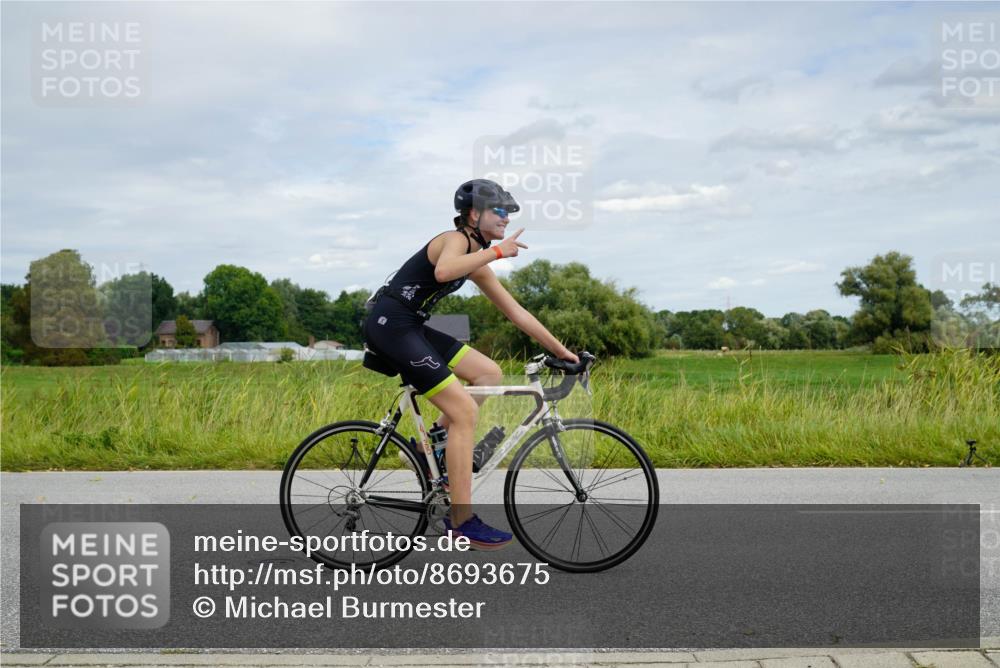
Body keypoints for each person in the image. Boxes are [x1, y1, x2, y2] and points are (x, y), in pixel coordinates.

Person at [362, 178, 579, 550]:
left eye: (509, 213)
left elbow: (516, 313)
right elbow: (445, 270)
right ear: (473, 214)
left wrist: (563, 352)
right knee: (463, 412)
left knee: (487, 373)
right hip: (390, 327)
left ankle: (426, 447)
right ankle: (461, 520)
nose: (506, 219)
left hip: (411, 326)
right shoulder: (454, 240)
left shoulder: (475, 258)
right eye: (499, 211)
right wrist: (498, 253)